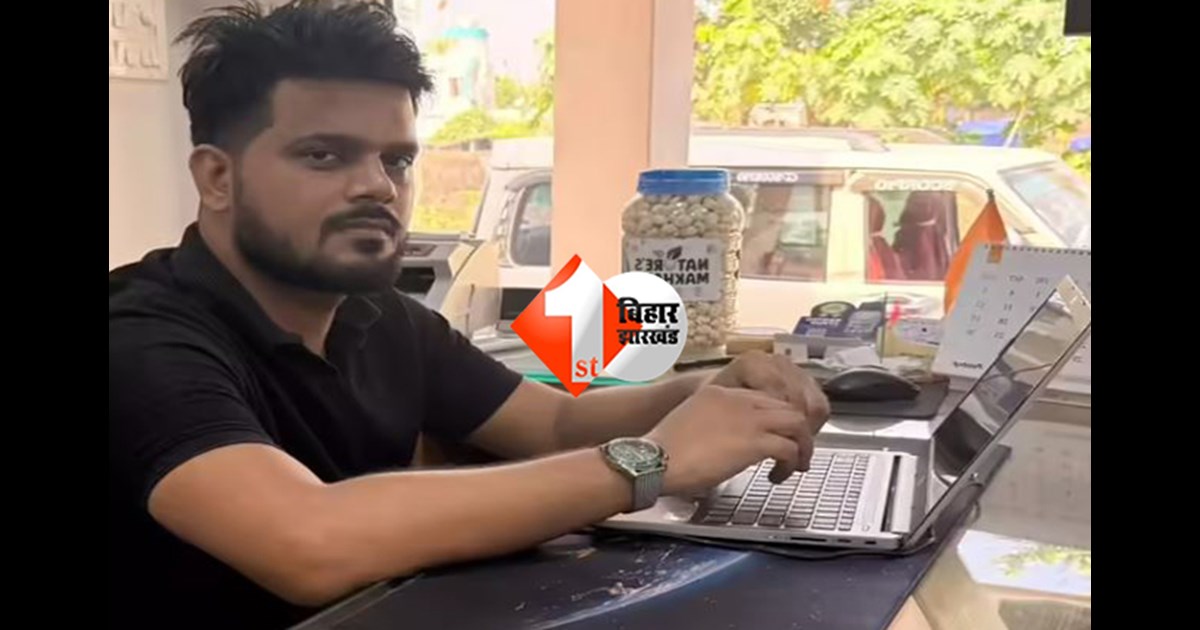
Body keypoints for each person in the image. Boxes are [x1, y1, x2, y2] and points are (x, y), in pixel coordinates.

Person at [108, 2, 830, 629]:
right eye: (324, 156)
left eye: (396, 161)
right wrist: (652, 462)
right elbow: (308, 541)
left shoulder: (378, 315)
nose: (377, 187)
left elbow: (553, 425)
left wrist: (699, 392)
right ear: (217, 177)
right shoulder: (139, 340)